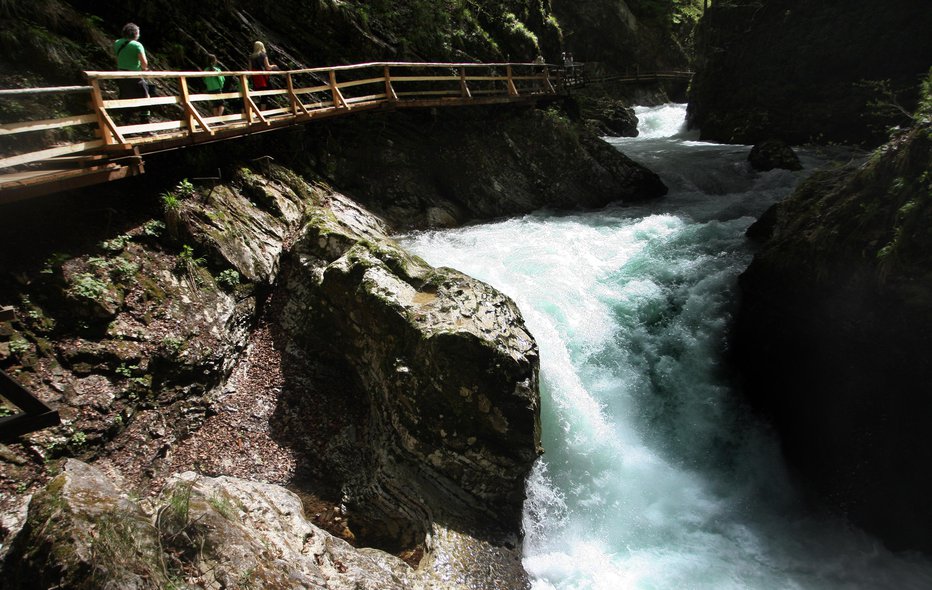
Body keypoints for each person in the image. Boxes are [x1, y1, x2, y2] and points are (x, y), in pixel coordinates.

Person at [114, 23, 150, 121]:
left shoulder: (117, 42)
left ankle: (124, 121)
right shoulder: (137, 45)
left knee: (126, 96)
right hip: (135, 76)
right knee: (146, 97)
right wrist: (145, 69)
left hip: (121, 75)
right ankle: (144, 121)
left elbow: (117, 58)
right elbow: (144, 63)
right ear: (135, 33)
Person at [249, 41, 279, 109]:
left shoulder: (251, 57)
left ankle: (255, 111)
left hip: (255, 77)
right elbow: (267, 67)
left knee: (257, 94)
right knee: (264, 95)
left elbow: (250, 69)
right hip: (262, 77)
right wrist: (274, 66)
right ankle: (263, 112)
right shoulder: (263, 55)